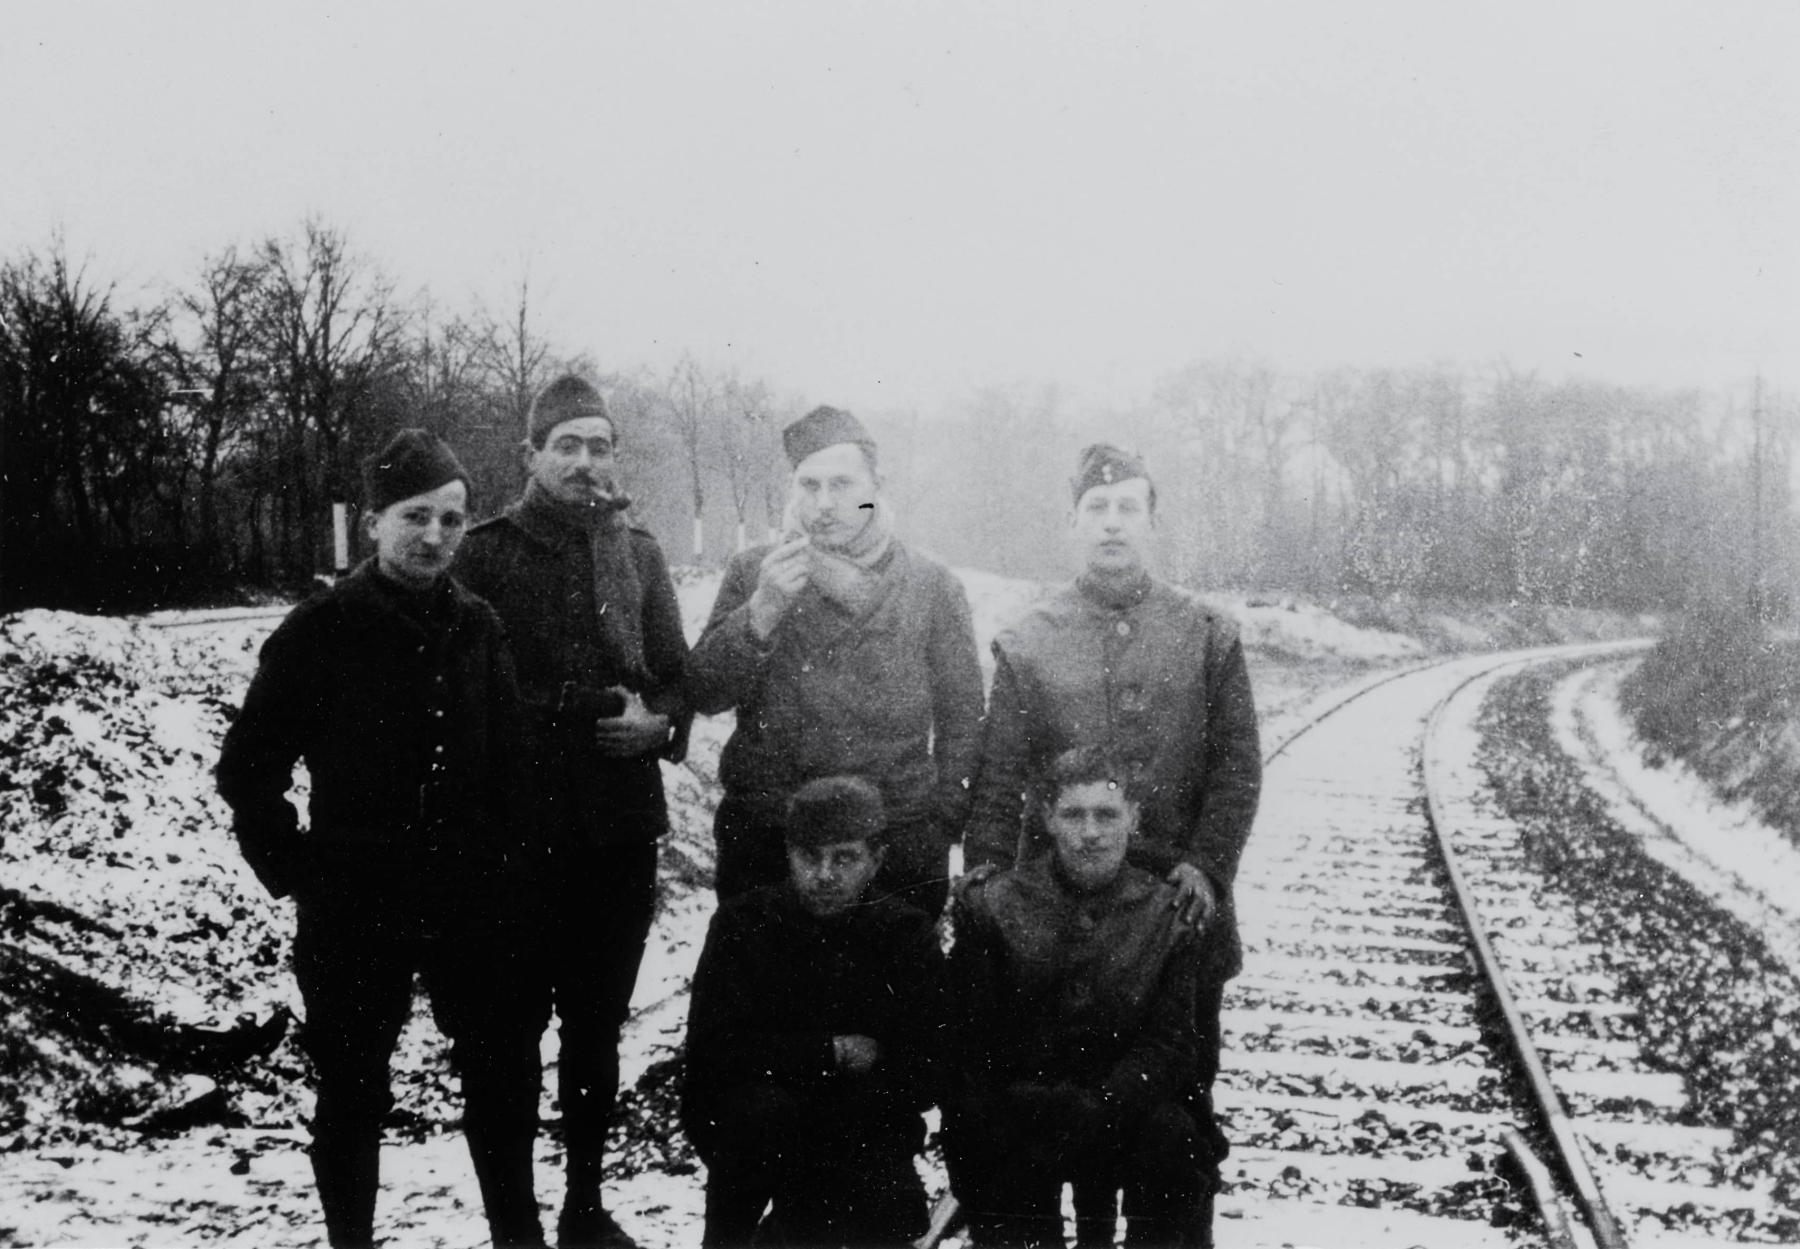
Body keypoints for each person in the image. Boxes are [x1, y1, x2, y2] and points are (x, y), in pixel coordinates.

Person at [216, 429, 546, 1248]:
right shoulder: (320, 628)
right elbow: (249, 768)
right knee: (353, 1088)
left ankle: (518, 1236)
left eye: (451, 519)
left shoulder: (479, 626)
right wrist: (297, 869)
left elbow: (512, 764)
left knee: (504, 1076)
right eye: (414, 516)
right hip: (357, 904)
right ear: (373, 523)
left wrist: (511, 872)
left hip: (472, 896)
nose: (434, 535)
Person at [961, 443, 1261, 1245]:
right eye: (1096, 508)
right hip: (1054, 917)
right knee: (1042, 1106)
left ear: (1152, 522)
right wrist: (985, 874)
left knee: (1173, 1117)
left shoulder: (1208, 634)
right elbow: (999, 773)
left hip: (1176, 918)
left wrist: (1206, 869)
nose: (1113, 522)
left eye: (1129, 506)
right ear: (1072, 524)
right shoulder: (1030, 639)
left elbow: (1237, 769)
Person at [453, 375, 692, 1249]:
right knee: (505, 1040)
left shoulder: (641, 553)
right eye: (567, 446)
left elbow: (675, 673)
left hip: (617, 837)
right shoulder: (483, 554)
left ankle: (585, 1206)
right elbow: (478, 690)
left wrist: (661, 723)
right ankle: (513, 1225)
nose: (585, 462)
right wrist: (589, 705)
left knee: (596, 1032)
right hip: (511, 841)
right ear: (531, 456)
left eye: (599, 446)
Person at [687, 404, 984, 919]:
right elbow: (704, 692)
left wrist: (938, 822)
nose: (824, 504)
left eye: (843, 485)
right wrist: (761, 612)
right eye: (809, 485)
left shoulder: (931, 586)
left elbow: (963, 718)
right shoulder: (756, 572)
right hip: (770, 842)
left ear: (876, 486)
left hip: (892, 845)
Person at [949, 747, 1205, 1248]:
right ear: (1048, 819)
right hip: (1025, 1109)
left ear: (1133, 818)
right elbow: (973, 1039)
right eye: (1073, 815)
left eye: (1106, 815)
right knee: (981, 1135)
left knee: (1175, 1140)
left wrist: (1101, 1104)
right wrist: (1032, 1104)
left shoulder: (1166, 914)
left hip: (1120, 1109)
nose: (1090, 833)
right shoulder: (996, 905)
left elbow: (1170, 1043)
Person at [680, 776, 942, 1248]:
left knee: (887, 1211)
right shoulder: (744, 923)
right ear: (788, 854)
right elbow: (714, 1050)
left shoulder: (905, 934)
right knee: (756, 1122)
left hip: (856, 1124)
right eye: (809, 856)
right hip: (756, 1122)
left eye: (844, 858)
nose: (824, 875)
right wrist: (831, 1052)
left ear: (876, 859)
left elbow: (926, 1067)